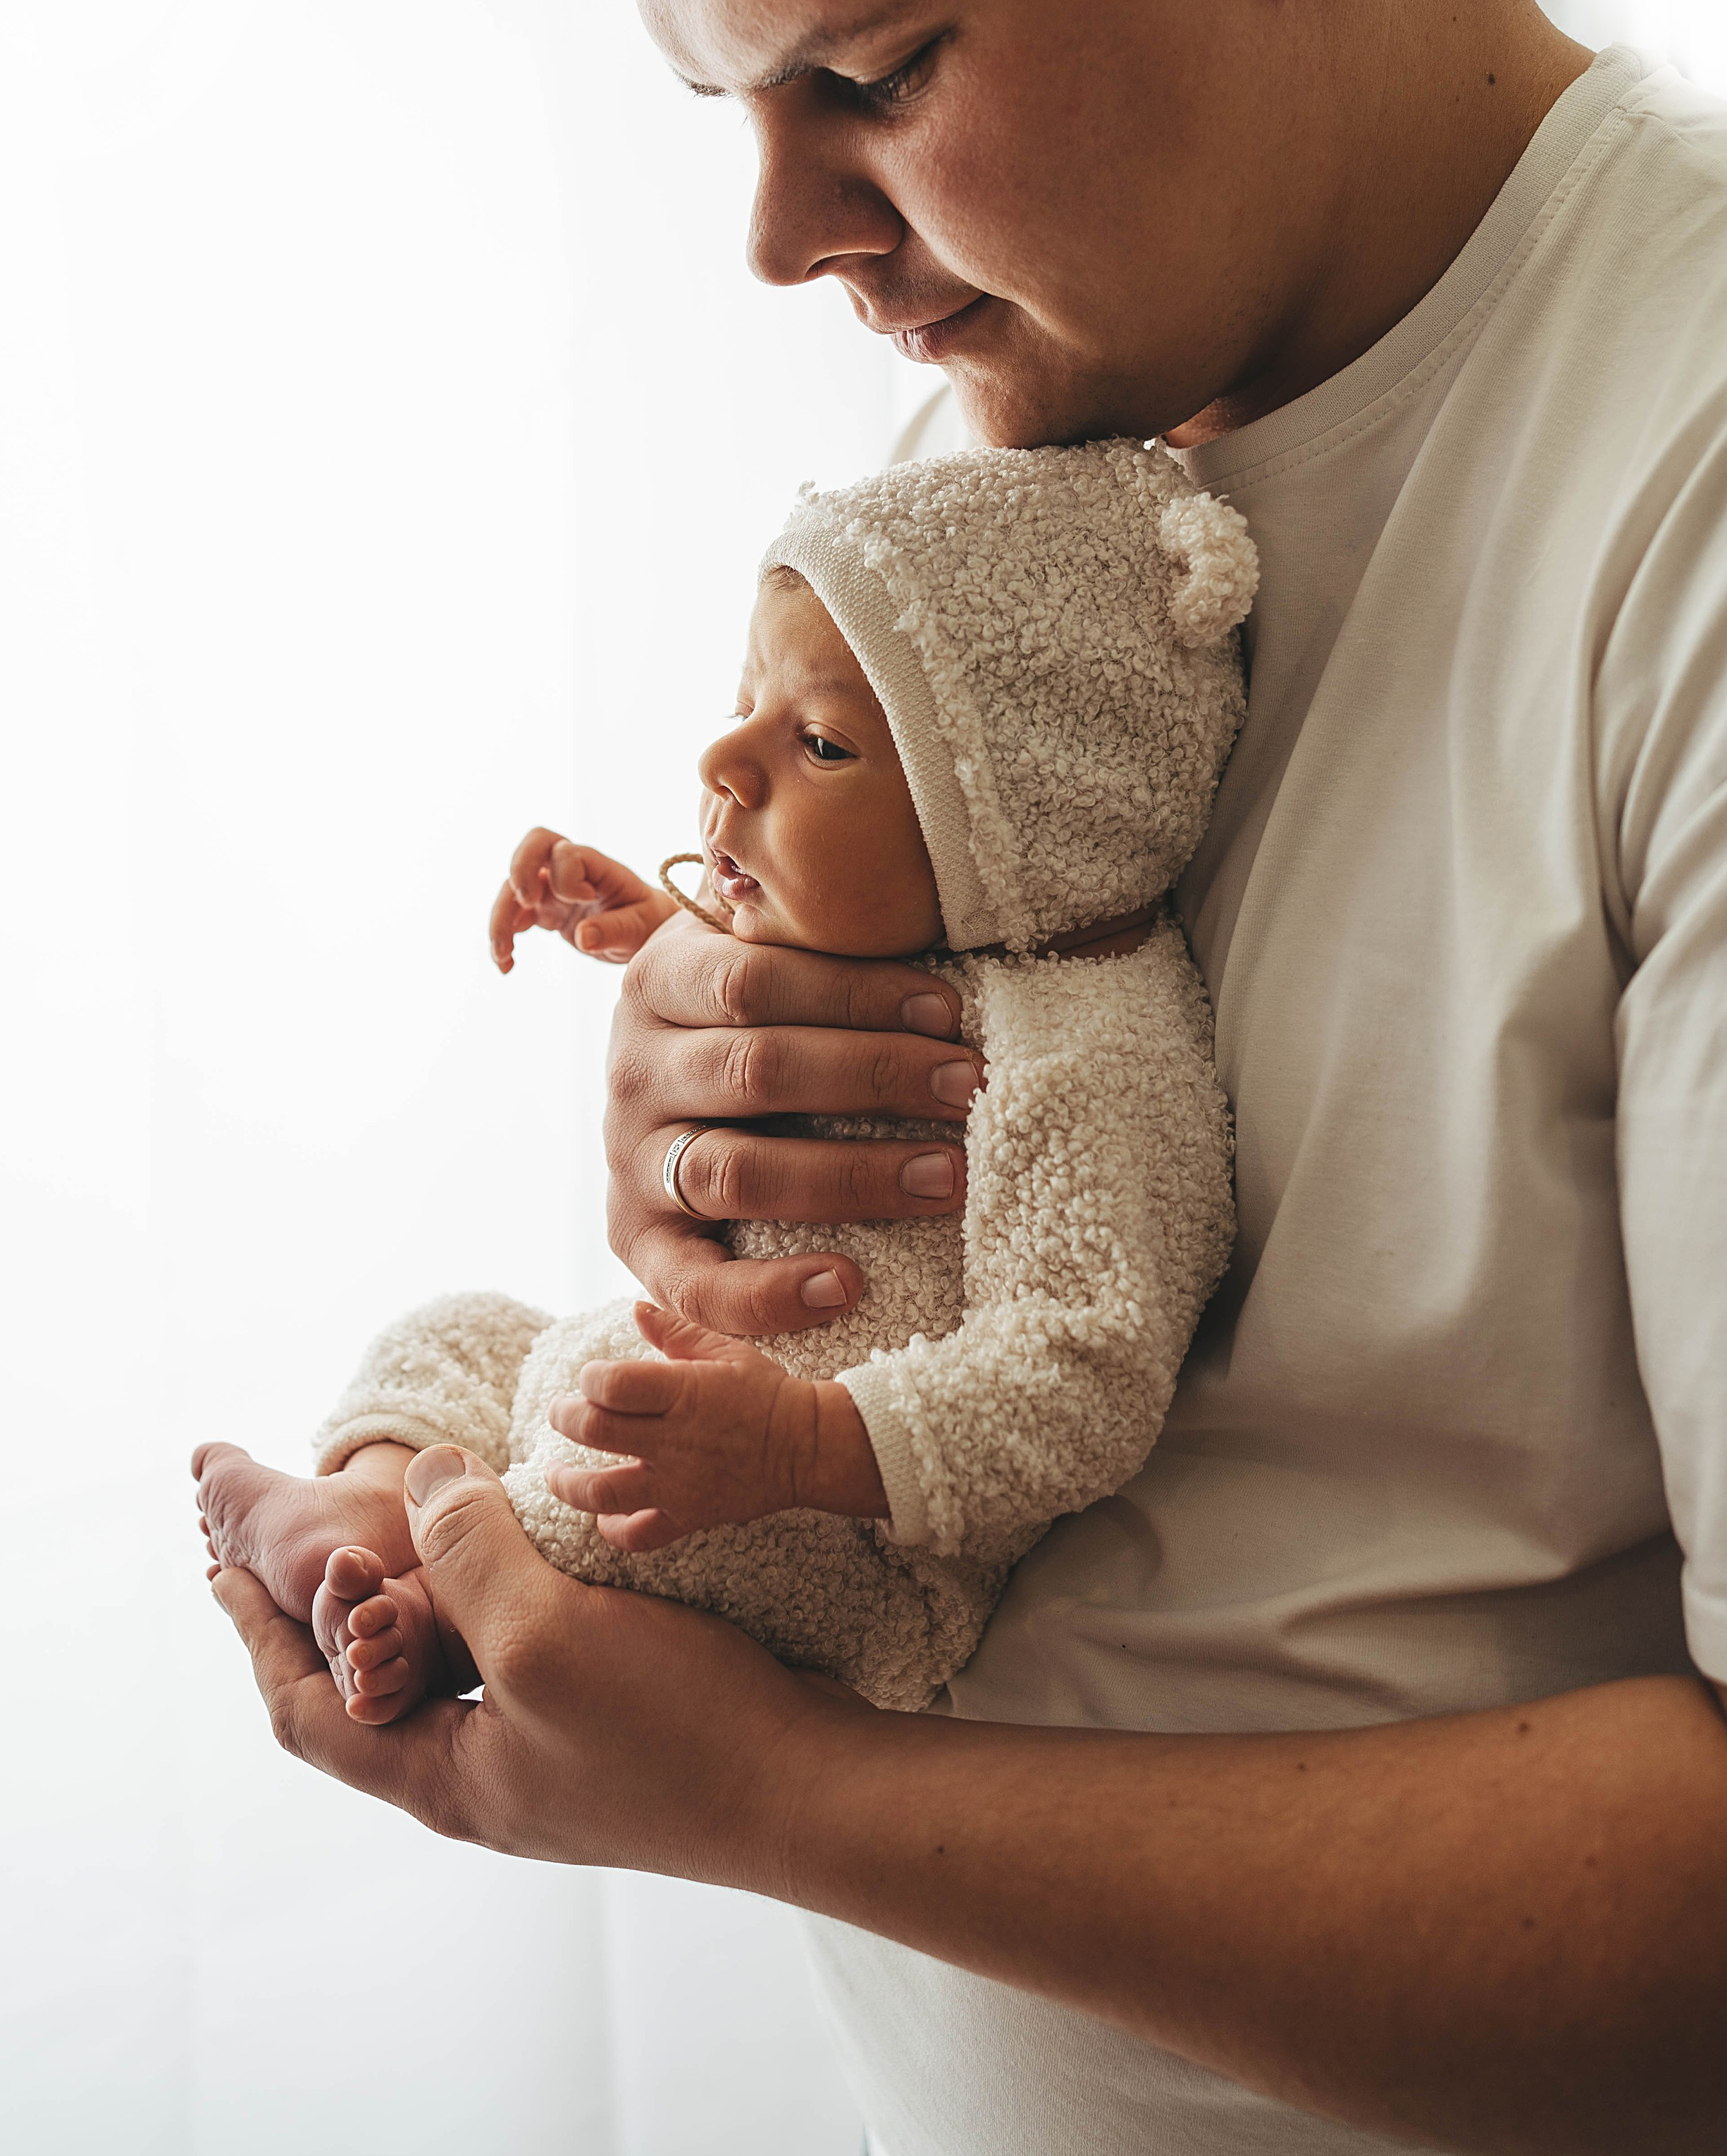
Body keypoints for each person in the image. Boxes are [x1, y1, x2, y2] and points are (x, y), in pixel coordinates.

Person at [211, 0, 1727, 2154]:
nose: (784, 237)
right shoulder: (1005, 465)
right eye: (727, 103)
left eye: (873, 73)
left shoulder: (1682, 492)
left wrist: (765, 1804)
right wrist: (714, 1134)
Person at [197, 438, 1253, 1720]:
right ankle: (368, 1500)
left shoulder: (1089, 1059)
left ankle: (435, 1604)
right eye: (747, 695)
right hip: (693, 1405)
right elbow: (797, 996)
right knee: (472, 1333)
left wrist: (801, 1448)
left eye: (817, 743)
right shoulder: (937, 923)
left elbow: (1085, 1378)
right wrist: (654, 925)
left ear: (1020, 813)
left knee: (621, 1501)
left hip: (842, 1538)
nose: (724, 760)